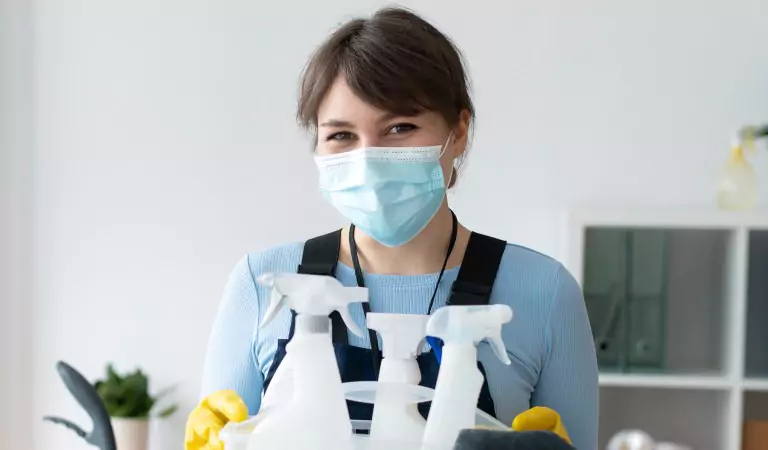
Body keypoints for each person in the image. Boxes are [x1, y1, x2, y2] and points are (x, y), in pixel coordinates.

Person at [185, 6, 598, 450]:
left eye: (400, 127)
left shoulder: (543, 291)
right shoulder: (262, 282)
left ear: (458, 132)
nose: (370, 158)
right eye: (342, 135)